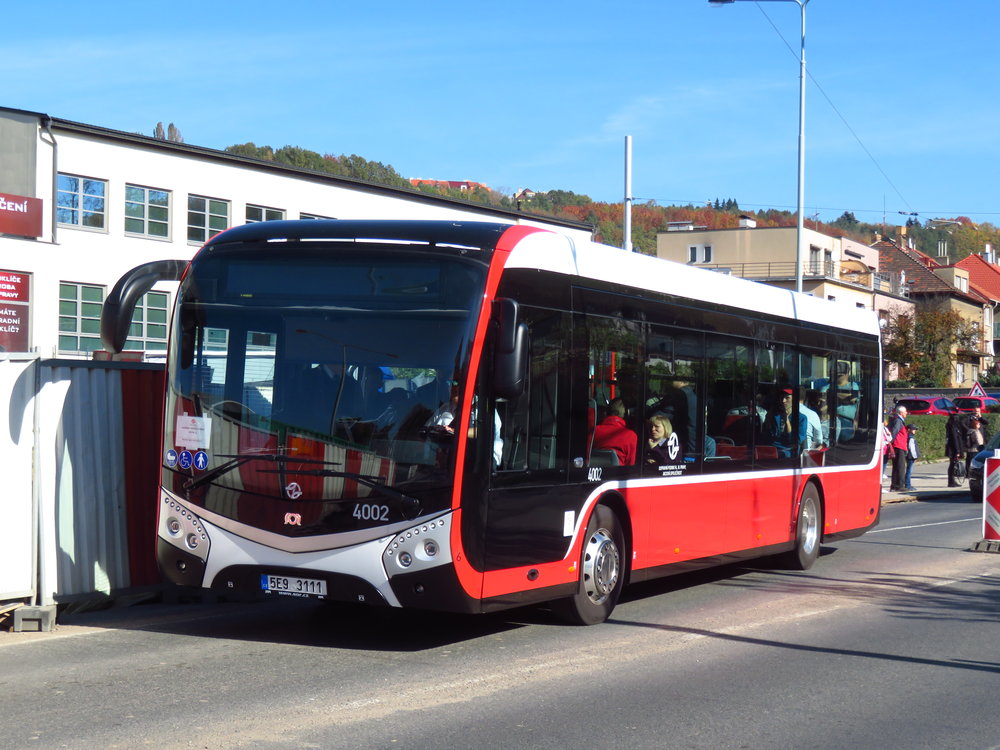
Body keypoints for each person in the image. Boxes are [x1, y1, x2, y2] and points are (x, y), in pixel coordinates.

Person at [593, 398, 638, 466]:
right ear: (627, 414)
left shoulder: (593, 431)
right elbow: (630, 465)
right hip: (619, 475)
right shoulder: (631, 435)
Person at [769, 387, 808, 458]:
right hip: (773, 450)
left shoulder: (801, 418)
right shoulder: (775, 416)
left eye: (787, 398)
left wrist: (787, 421)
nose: (783, 401)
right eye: (782, 398)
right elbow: (770, 436)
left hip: (788, 452)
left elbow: (797, 440)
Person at [888, 405, 909, 491]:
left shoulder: (897, 420)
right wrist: (890, 443)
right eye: (905, 412)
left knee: (896, 466)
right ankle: (900, 485)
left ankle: (895, 485)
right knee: (900, 466)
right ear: (901, 413)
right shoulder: (898, 421)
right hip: (899, 446)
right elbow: (894, 431)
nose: (906, 413)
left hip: (898, 445)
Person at [944, 409, 967, 486]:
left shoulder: (953, 426)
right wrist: (957, 451)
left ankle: (952, 481)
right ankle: (951, 481)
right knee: (953, 464)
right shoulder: (953, 427)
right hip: (953, 449)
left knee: (952, 464)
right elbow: (955, 439)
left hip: (953, 448)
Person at [904, 423, 920, 491]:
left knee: (908, 470)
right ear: (909, 430)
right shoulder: (911, 438)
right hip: (911, 456)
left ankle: (907, 484)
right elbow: (912, 448)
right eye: (913, 429)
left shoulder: (908, 437)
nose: (914, 431)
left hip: (909, 456)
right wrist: (915, 457)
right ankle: (908, 485)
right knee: (909, 471)